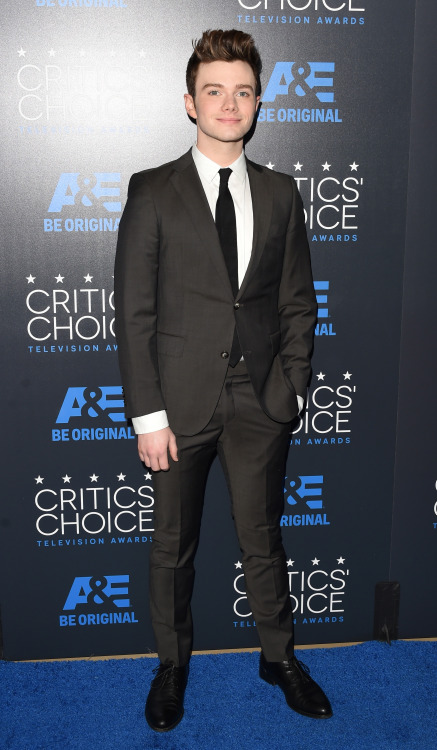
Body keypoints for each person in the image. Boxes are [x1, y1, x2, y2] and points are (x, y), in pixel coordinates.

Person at [114, 28, 332, 732]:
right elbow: (135, 313)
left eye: (242, 92)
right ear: (190, 102)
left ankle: (278, 658)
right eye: (214, 91)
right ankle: (172, 666)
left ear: (258, 102)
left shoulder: (279, 193)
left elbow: (298, 301)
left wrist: (291, 389)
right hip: (176, 406)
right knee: (171, 543)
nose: (228, 103)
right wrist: (147, 416)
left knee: (262, 535)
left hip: (259, 400)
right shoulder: (151, 191)